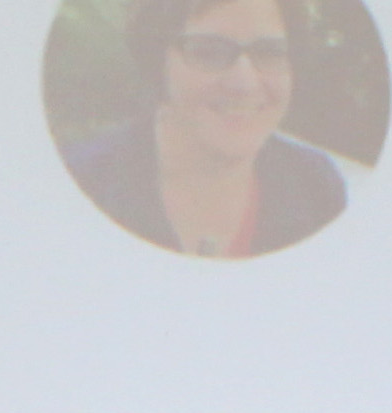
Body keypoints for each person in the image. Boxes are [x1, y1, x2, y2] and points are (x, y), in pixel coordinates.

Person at [62, 0, 350, 258]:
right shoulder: (78, 185)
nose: (244, 84)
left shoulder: (317, 189)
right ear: (157, 60)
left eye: (269, 52)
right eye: (209, 52)